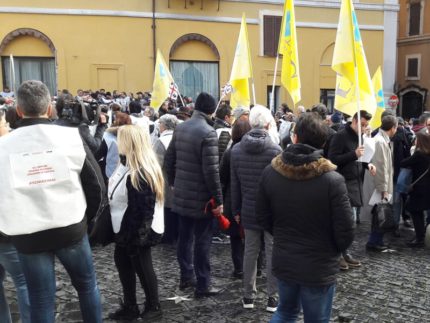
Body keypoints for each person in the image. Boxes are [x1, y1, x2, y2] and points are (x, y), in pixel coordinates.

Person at [0, 80, 105, 323]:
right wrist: (89, 222)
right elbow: (95, 185)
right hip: (70, 226)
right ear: (50, 109)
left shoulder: (3, 146)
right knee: (87, 286)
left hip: (28, 233)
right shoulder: (70, 137)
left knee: (41, 299)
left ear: (18, 110)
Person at [256, 113, 354, 322]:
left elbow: (263, 217)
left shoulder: (271, 172)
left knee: (285, 312)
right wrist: (333, 249)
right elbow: (345, 229)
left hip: (286, 257)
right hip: (319, 264)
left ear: (296, 138)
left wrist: (282, 234)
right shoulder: (332, 180)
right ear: (323, 142)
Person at [164, 92, 223, 298]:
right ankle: (203, 284)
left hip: (181, 193)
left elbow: (169, 160)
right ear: (211, 110)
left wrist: (172, 183)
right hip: (202, 199)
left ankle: (186, 276)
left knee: (185, 238)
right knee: (202, 241)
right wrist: (219, 199)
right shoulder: (208, 132)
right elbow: (211, 172)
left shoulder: (181, 127)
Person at [108, 125, 164, 320]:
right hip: (125, 229)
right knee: (124, 264)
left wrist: (135, 237)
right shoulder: (126, 164)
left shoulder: (140, 171)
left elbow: (143, 210)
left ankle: (153, 305)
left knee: (142, 266)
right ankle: (130, 305)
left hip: (137, 231)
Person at [230, 105, 282, 312]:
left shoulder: (236, 150)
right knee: (271, 252)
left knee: (250, 252)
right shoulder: (276, 150)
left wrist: (236, 210)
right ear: (268, 124)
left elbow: (235, 185)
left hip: (248, 208)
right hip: (271, 210)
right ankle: (272, 297)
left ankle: (248, 296)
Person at [327, 110, 375, 270]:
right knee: (343, 222)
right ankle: (338, 254)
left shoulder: (360, 136)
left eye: (366, 125)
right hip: (342, 182)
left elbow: (360, 158)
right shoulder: (340, 135)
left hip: (355, 183)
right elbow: (332, 159)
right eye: (362, 124)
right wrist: (353, 154)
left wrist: (368, 165)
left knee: (349, 223)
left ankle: (344, 252)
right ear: (354, 121)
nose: (364, 127)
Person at [0, 119, 30, 323]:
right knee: (24, 282)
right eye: (3, 121)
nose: (8, 124)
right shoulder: (9, 152)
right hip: (6, 230)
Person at [219, 118, 252, 279]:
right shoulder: (254, 151)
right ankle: (255, 268)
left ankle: (239, 268)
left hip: (233, 199)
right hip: (251, 199)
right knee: (254, 236)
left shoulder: (230, 152)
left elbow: (222, 178)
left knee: (235, 237)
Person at [365, 115, 398, 251]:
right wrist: (383, 189)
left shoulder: (382, 140)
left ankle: (376, 240)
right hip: (379, 186)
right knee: (380, 214)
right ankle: (374, 241)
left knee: (379, 214)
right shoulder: (380, 141)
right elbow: (381, 167)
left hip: (381, 184)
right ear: (392, 128)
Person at [153, 114, 180, 244]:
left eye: (160, 124)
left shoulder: (161, 141)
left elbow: (156, 164)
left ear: (164, 126)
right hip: (180, 179)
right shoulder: (180, 137)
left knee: (167, 208)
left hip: (165, 179)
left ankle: (168, 236)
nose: (159, 126)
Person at [400, 132, 430, 247]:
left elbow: (403, 162)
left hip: (418, 189)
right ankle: (420, 235)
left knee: (414, 211)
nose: (414, 141)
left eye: (416, 139)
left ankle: (420, 238)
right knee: (419, 211)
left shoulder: (418, 154)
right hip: (427, 189)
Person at [95, 112, 132, 182]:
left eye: (115, 120)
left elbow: (98, 155)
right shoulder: (133, 137)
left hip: (110, 171)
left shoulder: (108, 137)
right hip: (127, 172)